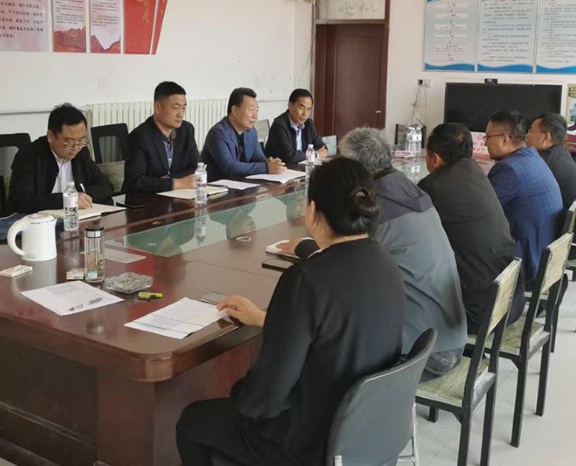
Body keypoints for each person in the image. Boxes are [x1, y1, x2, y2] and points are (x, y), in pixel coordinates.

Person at [176, 157, 405, 466]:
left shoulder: (307, 279)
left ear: (311, 211)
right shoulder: (386, 262)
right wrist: (265, 319)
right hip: (368, 431)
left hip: (312, 442)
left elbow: (264, 400)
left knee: (193, 421)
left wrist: (239, 393)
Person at [279, 128, 467, 375]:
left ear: (354, 170)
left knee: (314, 351)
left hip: (422, 353)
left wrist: (306, 247)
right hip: (449, 338)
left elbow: (340, 272)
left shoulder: (377, 209)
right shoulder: (410, 192)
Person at [419, 123, 525, 334]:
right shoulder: (478, 174)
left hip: (479, 313)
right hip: (511, 300)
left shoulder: (432, 187)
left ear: (435, 159)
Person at [485, 111, 562, 286]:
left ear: (504, 139)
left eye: (488, 137)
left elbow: (483, 213)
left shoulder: (508, 169)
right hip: (546, 255)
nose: (485, 143)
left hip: (527, 263)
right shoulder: (532, 157)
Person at [8, 104, 113, 214]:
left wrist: (82, 196)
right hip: (41, 221)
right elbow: (21, 201)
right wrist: (67, 199)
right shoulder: (28, 156)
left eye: (81, 140)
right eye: (69, 142)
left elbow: (106, 187)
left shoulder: (81, 152)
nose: (76, 147)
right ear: (50, 136)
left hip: (76, 218)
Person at [527, 113, 576, 258]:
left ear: (546, 137)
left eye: (531, 131)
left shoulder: (544, 162)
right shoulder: (560, 153)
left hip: (568, 245)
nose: (527, 135)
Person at [122, 81, 200, 193]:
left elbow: (197, 168)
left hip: (177, 195)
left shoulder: (186, 130)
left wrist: (167, 181)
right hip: (144, 199)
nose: (180, 114)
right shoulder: (139, 137)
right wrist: (177, 183)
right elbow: (135, 181)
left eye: (183, 108)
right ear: (158, 107)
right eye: (176, 108)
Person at [201, 87, 286, 181]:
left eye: (256, 110)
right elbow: (229, 166)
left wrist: (271, 163)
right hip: (217, 186)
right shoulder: (218, 133)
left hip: (242, 183)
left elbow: (258, 156)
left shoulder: (251, 131)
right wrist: (266, 167)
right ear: (235, 110)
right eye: (251, 110)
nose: (255, 116)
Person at [264, 88, 327, 163]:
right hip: (284, 168)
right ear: (290, 105)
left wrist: (306, 155)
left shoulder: (308, 124)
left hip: (301, 167)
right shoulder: (279, 125)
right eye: (301, 108)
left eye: (308, 109)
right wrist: (315, 154)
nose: (305, 113)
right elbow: (289, 156)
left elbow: (323, 148)